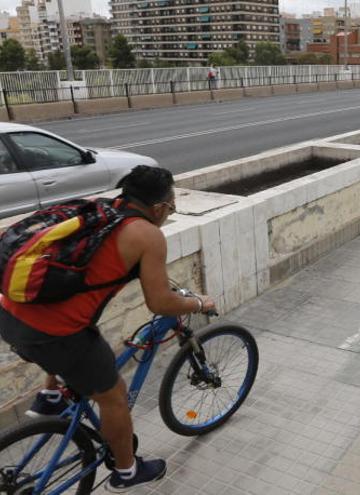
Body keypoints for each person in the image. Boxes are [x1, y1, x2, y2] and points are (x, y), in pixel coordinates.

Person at [0, 165, 216, 492]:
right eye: (171, 207)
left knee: (84, 335)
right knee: (113, 396)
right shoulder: (147, 235)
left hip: (10, 314)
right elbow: (160, 304)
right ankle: (127, 472)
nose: (169, 213)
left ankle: (50, 395)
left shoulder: (100, 210)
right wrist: (199, 303)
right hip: (52, 334)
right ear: (158, 208)